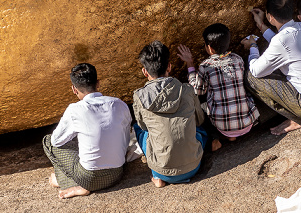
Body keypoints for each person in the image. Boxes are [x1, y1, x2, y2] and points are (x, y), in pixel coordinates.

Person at [243, 0, 301, 135]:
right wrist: (261, 26)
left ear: (271, 17)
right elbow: (284, 44)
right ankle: (300, 114)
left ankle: (298, 118)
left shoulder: (282, 41)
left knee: (250, 78)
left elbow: (256, 71)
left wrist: (253, 46)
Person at [43, 63, 132, 199]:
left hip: (89, 179)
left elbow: (56, 141)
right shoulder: (119, 104)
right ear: (98, 84)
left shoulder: (75, 110)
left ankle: (67, 182)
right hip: (117, 174)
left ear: (74, 89)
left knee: (48, 141)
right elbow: (125, 136)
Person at [133, 41, 207, 188]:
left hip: (162, 171)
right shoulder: (186, 89)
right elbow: (199, 119)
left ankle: (156, 177)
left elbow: (144, 126)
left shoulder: (139, 96)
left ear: (144, 72)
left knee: (139, 129)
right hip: (193, 167)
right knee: (201, 130)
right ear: (169, 67)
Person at [176, 23, 259, 152]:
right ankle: (232, 136)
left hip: (223, 127)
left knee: (200, 107)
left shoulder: (206, 66)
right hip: (248, 122)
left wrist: (190, 63)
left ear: (209, 48)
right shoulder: (238, 59)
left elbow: (197, 90)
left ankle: (216, 138)